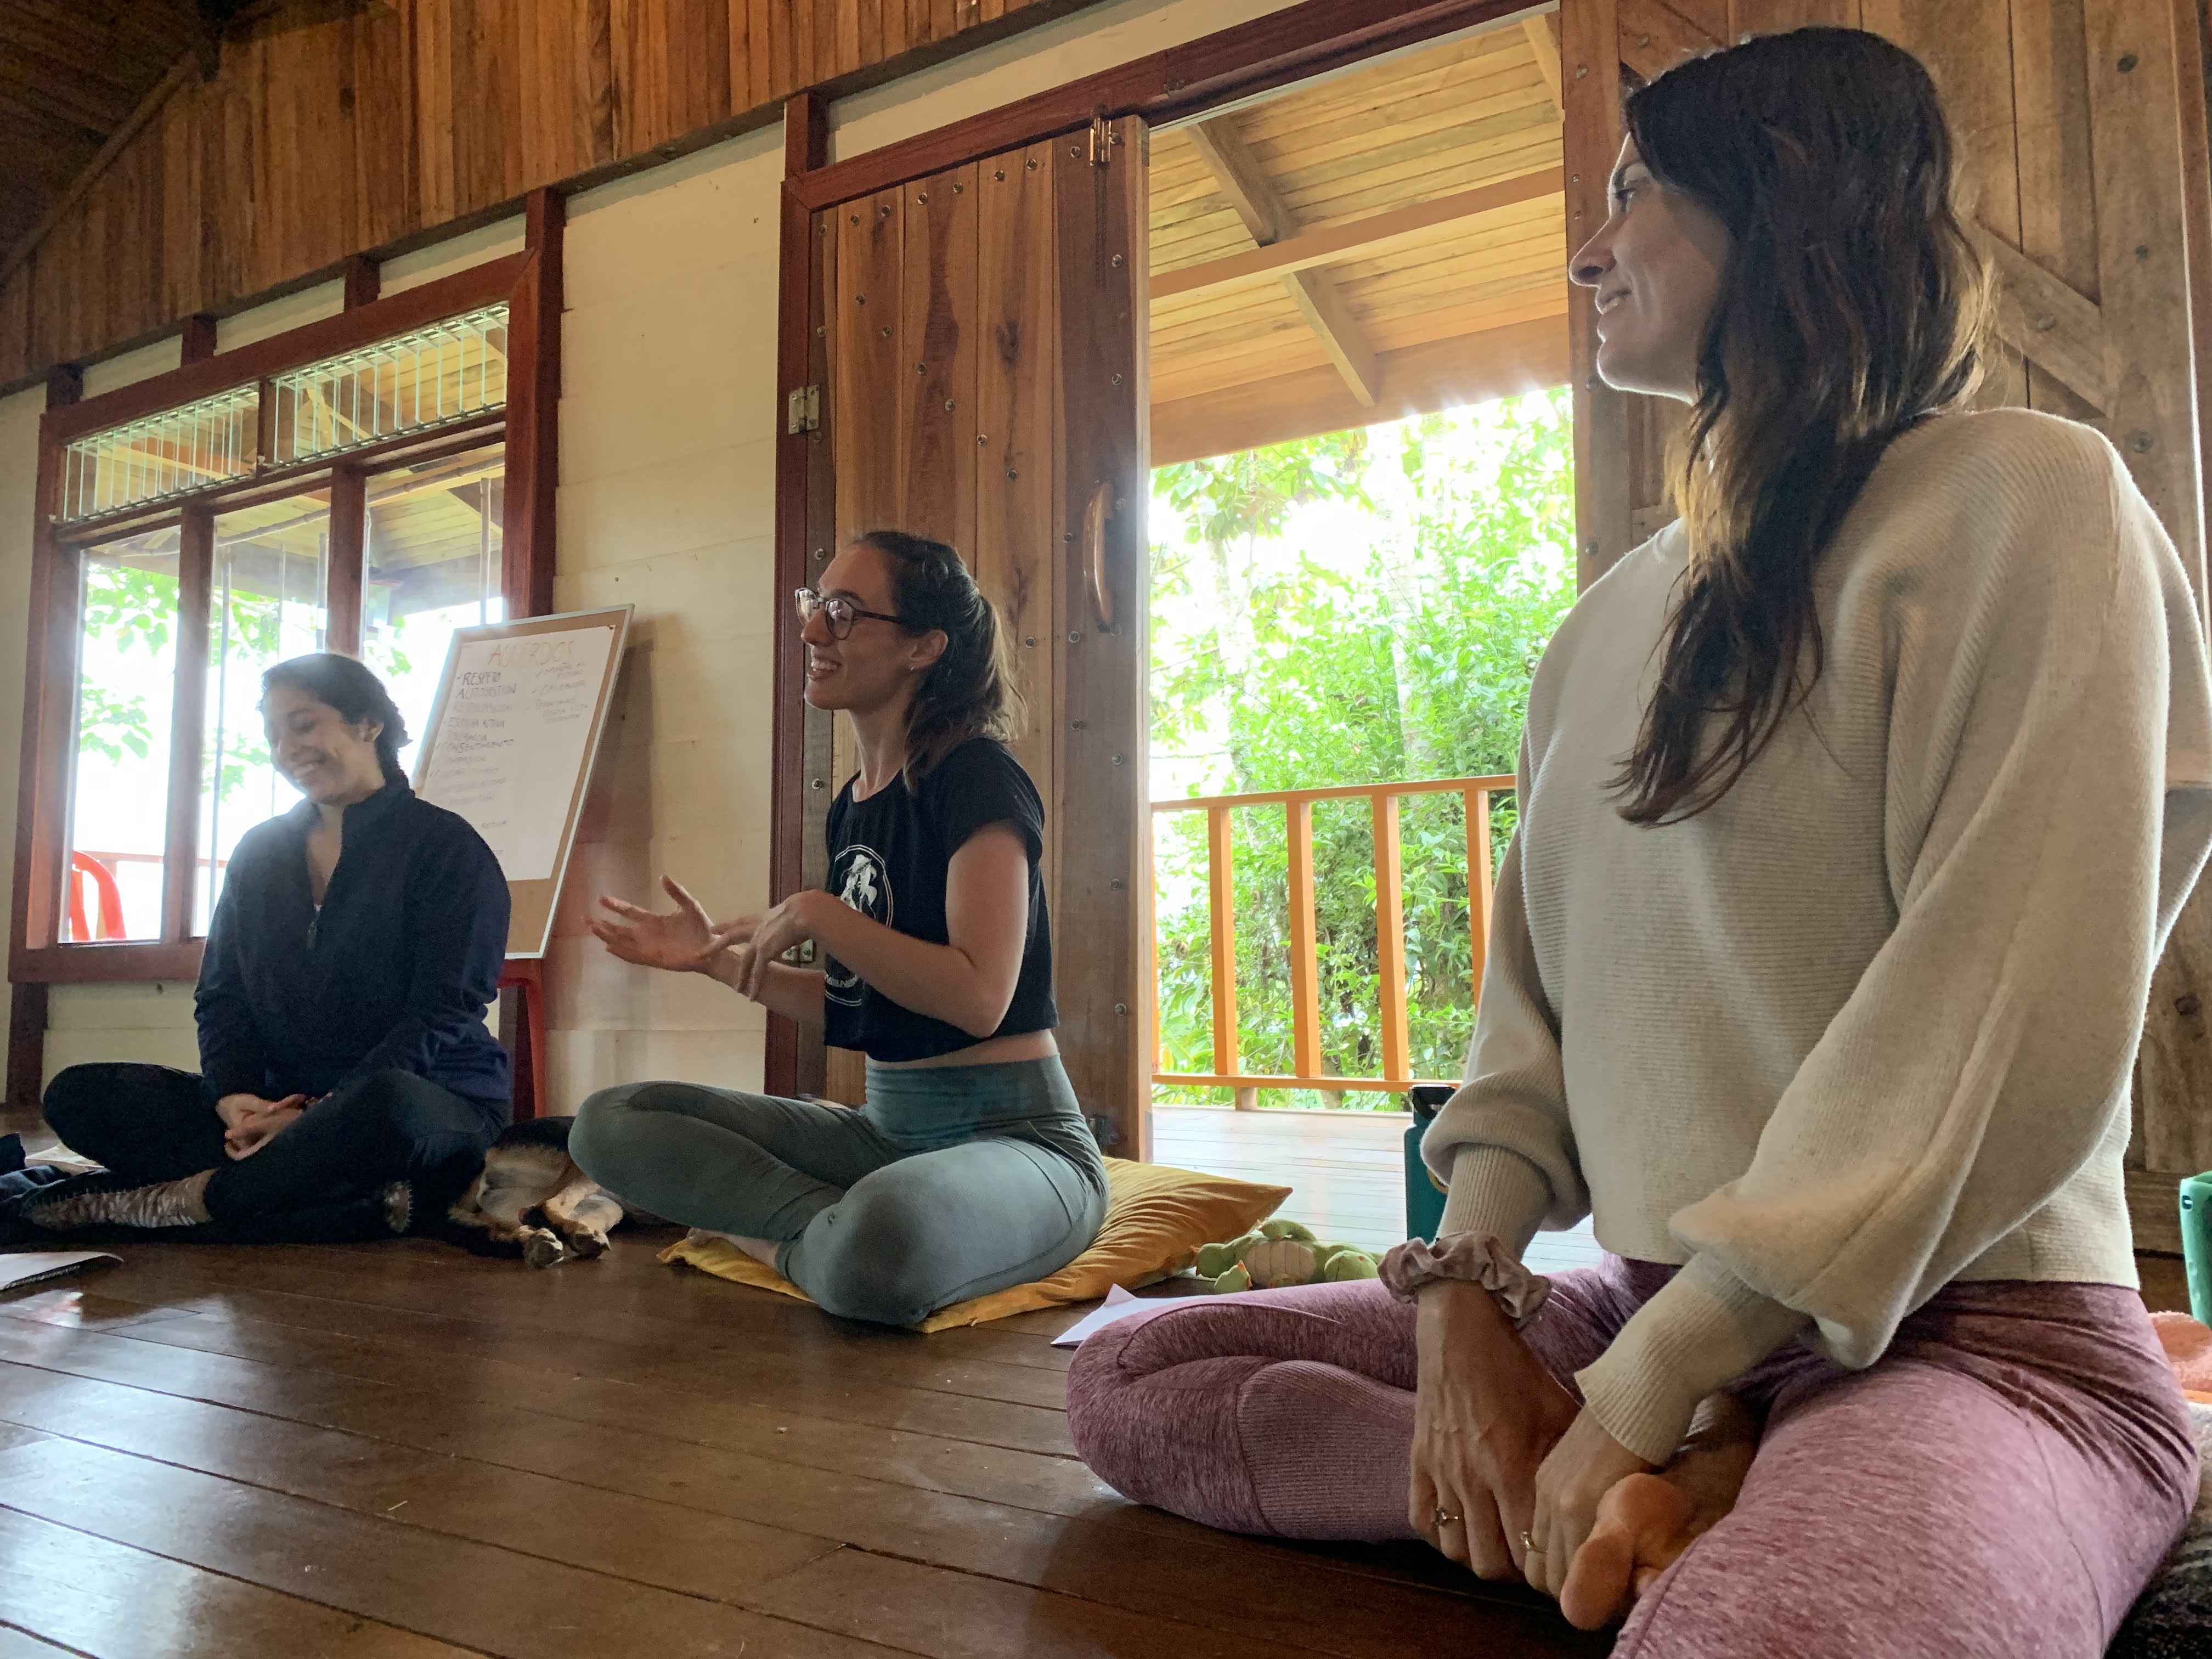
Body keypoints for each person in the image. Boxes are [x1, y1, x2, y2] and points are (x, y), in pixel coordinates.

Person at [1063, 28, 2210, 1656]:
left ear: (1784, 203)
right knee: (1130, 1378)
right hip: (1644, 1313)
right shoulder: (1608, 623)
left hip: (1980, 1338)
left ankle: (1686, 1485)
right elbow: (1525, 1044)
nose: (1589, 248)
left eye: (1635, 195)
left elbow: (2002, 1013)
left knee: (1773, 1636)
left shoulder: (2029, 499)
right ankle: (1638, 1487)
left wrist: (1650, 1384)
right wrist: (1463, 1299)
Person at [568, 529, 1106, 1328]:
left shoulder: (978, 776)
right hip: (884, 1131)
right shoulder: (853, 803)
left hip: (1018, 1137)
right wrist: (715, 961)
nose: (814, 631)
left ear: (925, 646)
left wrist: (821, 913)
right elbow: (863, 1007)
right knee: (610, 1122)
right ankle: (829, 1229)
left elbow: (978, 998)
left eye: (845, 613)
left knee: (884, 1240)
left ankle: (786, 1238)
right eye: (815, 606)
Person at [25, 653, 512, 1242]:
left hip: (417, 1102)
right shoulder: (260, 852)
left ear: (368, 724)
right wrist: (235, 1098)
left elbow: (444, 1012)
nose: (285, 749)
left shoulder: (446, 849)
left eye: (303, 725)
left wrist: (320, 1113)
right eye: (272, 735)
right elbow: (222, 996)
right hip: (276, 1106)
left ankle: (194, 1204)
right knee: (81, 1093)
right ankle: (338, 1207)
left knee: (387, 1108)